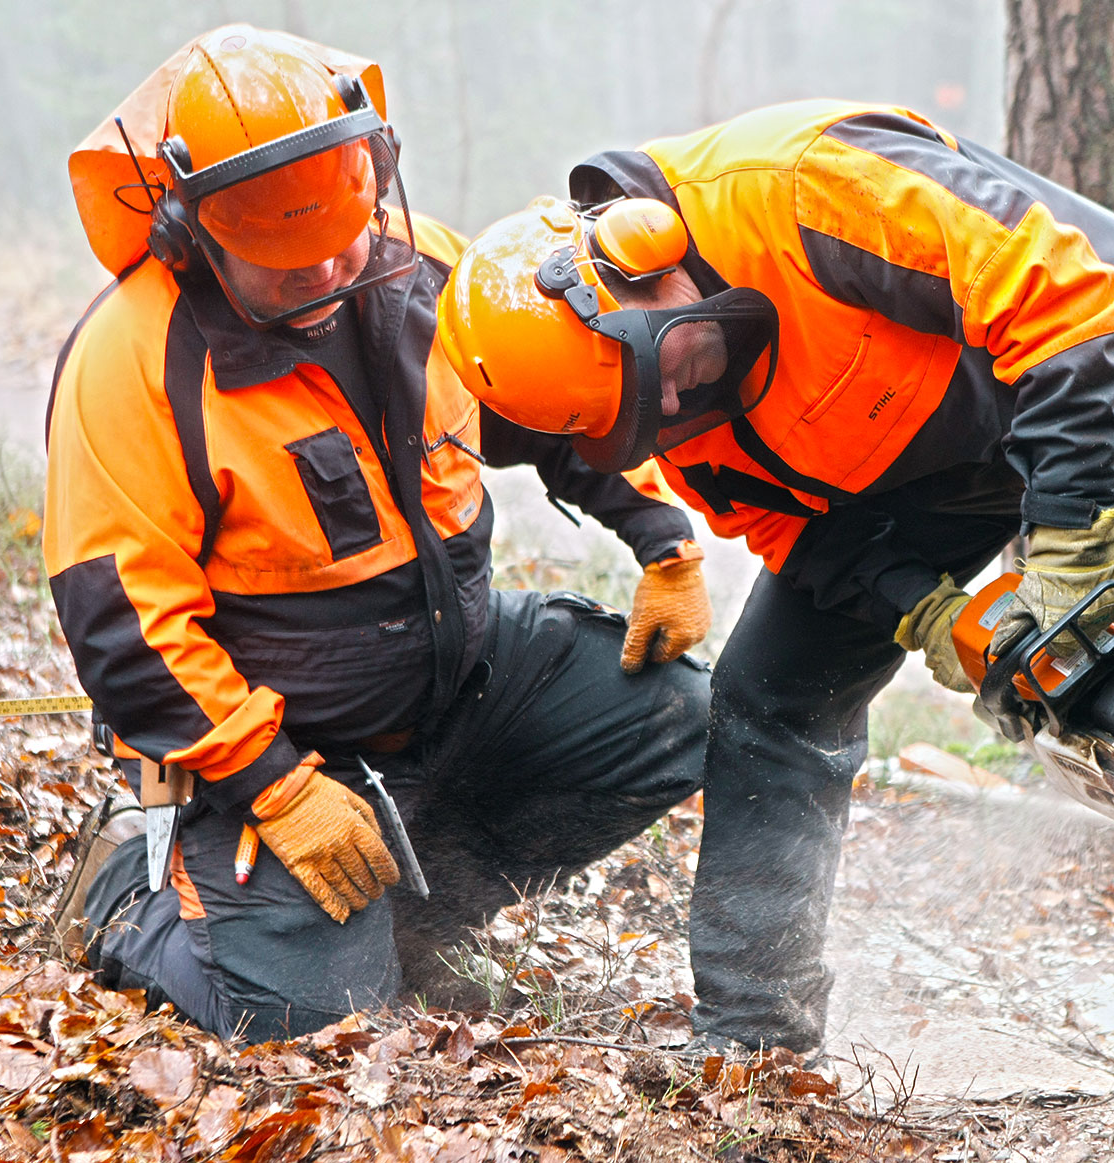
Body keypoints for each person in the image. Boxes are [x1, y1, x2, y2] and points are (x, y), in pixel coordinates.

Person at [434, 100, 1114, 1056]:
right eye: (645, 415)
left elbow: (1064, 297)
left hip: (1110, 387)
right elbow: (803, 537)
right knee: (771, 697)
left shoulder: (804, 187)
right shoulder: (671, 418)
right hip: (921, 467)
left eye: (666, 368)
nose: (678, 401)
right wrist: (935, 613)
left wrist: (1070, 544)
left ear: (639, 256)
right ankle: (755, 1034)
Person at [43, 25, 712, 1043]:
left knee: (683, 716)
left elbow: (545, 398)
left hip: (462, 673)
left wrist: (661, 535)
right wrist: (273, 784)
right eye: (282, 260)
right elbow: (125, 628)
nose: (321, 271)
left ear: (371, 177)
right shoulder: (132, 362)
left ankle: (418, 905)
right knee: (311, 1017)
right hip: (282, 736)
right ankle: (126, 900)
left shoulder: (426, 267)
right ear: (196, 227)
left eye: (339, 240)